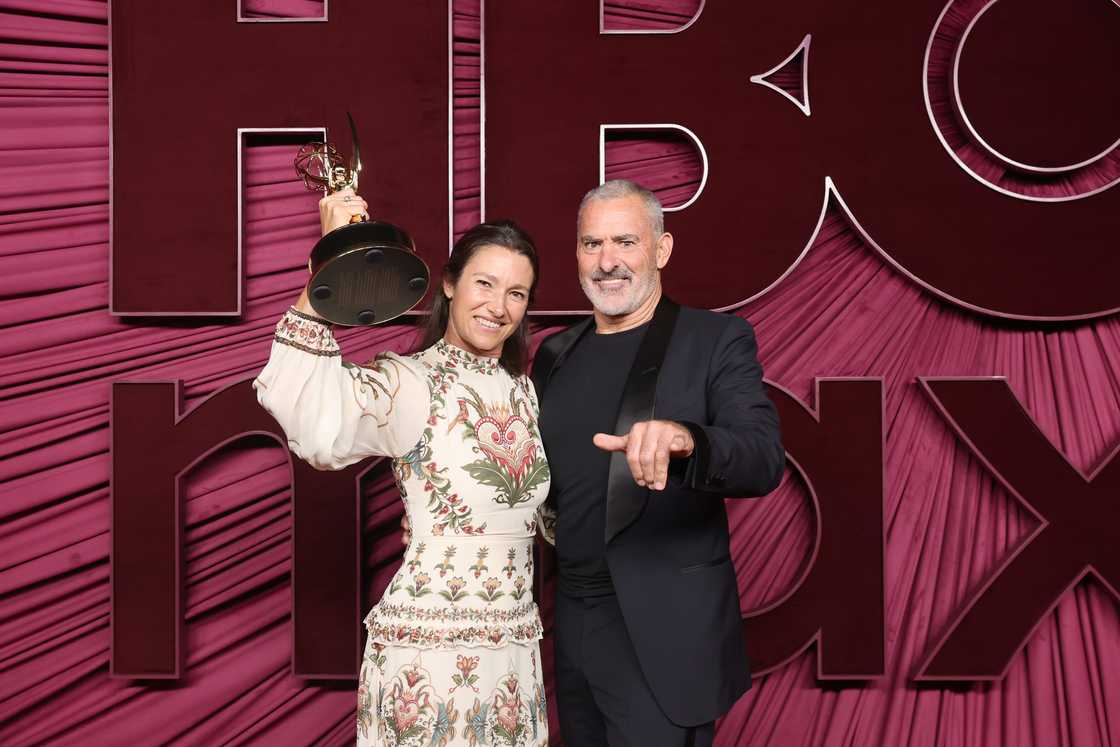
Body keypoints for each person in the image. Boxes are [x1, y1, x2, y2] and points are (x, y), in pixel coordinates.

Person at [254, 187, 552, 747]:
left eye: (517, 293)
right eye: (484, 284)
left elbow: (536, 515)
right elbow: (316, 421)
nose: (498, 306)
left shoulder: (524, 393)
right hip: (430, 655)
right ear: (449, 284)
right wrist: (329, 264)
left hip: (512, 653)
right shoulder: (411, 383)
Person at [531, 179, 785, 746]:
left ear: (661, 250)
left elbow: (764, 456)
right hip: (571, 624)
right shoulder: (553, 354)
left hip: (663, 635)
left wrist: (688, 439)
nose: (607, 262)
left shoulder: (715, 339)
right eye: (591, 244)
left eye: (625, 241)